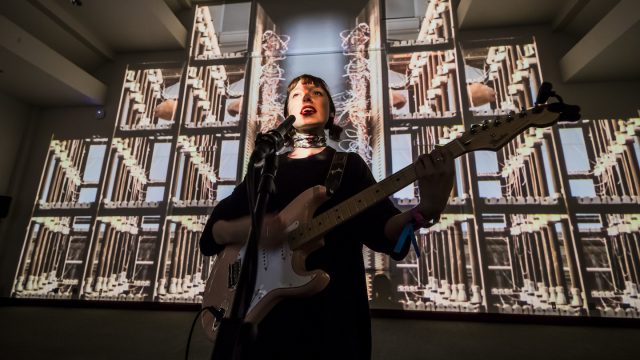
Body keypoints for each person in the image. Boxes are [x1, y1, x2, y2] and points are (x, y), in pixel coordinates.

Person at [199, 74, 455, 359]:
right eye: (296, 94)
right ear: (286, 116)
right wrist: (249, 230)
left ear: (331, 113)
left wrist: (425, 210)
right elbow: (213, 234)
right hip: (263, 320)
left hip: (333, 319)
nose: (306, 96)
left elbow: (382, 231)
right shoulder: (264, 169)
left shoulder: (349, 166)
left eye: (316, 92)